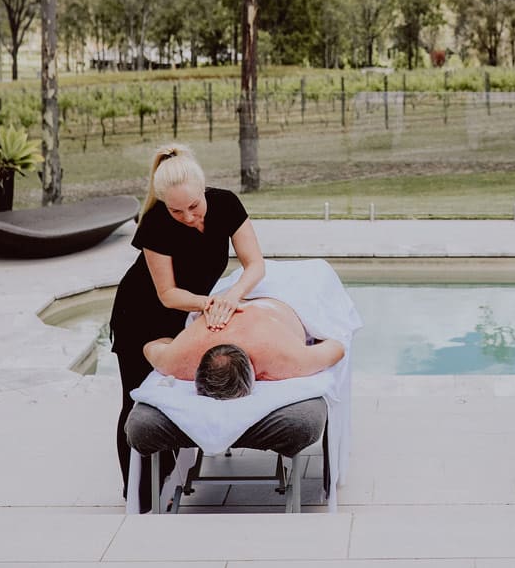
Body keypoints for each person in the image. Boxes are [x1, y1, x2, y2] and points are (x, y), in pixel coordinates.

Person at [109, 143, 266, 510]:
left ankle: (170, 476)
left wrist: (235, 295)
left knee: (176, 395)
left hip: (186, 312)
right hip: (141, 314)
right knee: (136, 399)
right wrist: (209, 303)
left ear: (203, 188)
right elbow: (167, 294)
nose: (188, 216)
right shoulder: (156, 223)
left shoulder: (227, 205)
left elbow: (255, 263)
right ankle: (138, 495)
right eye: (177, 210)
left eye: (194, 206)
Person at [142, 295, 346, 390]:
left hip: (284, 297)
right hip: (232, 296)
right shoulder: (177, 360)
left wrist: (173, 344)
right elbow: (151, 348)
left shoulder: (284, 358)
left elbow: (336, 347)